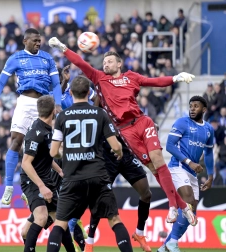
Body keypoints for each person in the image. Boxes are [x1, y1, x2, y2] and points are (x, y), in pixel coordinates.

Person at [48, 37, 197, 226]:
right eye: (103, 62)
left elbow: (154, 81)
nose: (105, 64)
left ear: (119, 63)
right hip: (126, 131)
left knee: (158, 159)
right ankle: (183, 206)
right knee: (154, 168)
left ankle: (173, 206)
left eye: (109, 61)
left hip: (142, 121)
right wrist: (63, 47)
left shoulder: (132, 77)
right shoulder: (99, 78)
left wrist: (175, 78)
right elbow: (80, 62)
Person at [39, 76, 146, 252]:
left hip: (72, 178)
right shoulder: (100, 114)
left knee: (60, 223)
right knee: (114, 220)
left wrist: (68, 152)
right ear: (89, 93)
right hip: (98, 176)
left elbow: (53, 153)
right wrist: (119, 153)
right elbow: (115, 146)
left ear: (70, 93)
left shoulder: (62, 117)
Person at [60, 67, 152, 252]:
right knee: (99, 199)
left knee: (146, 193)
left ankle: (140, 232)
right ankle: (90, 243)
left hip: (125, 152)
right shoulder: (99, 97)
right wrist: (99, 95)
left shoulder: (124, 93)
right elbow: (94, 110)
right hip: (107, 154)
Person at [0, 28, 62, 205]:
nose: (38, 43)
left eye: (39, 41)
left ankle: (32, 188)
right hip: (25, 101)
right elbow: (1, 82)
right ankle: (9, 186)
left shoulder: (47, 58)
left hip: (44, 103)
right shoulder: (16, 58)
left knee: (43, 147)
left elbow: (56, 83)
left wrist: (57, 103)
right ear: (25, 41)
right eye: (34, 40)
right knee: (16, 140)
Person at [17, 95, 95, 252]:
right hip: (32, 181)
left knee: (62, 219)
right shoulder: (36, 132)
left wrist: (59, 171)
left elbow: (44, 156)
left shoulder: (47, 129)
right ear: (53, 111)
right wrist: (42, 186)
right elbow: (26, 163)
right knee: (42, 217)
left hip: (46, 179)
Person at [157, 96, 214, 252]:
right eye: (191, 106)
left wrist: (211, 176)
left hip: (193, 173)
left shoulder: (208, 129)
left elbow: (209, 153)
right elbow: (170, 145)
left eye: (196, 106)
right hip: (178, 167)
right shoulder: (182, 122)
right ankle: (173, 242)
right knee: (188, 201)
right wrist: (189, 162)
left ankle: (165, 246)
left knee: (193, 210)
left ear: (204, 109)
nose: (192, 108)